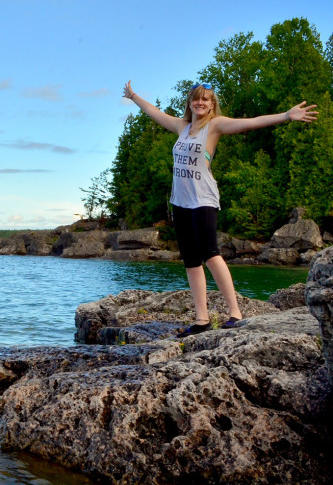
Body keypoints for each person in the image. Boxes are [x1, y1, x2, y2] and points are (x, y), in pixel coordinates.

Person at [122, 80, 318, 337]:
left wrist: (286, 116)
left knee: (211, 254)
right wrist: (134, 96)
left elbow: (251, 121)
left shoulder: (214, 126)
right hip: (180, 201)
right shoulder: (182, 127)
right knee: (191, 261)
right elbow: (155, 112)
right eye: (196, 98)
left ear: (212, 104)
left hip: (203, 199)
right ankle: (201, 319)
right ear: (190, 102)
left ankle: (235, 313)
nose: (200, 103)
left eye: (205, 99)